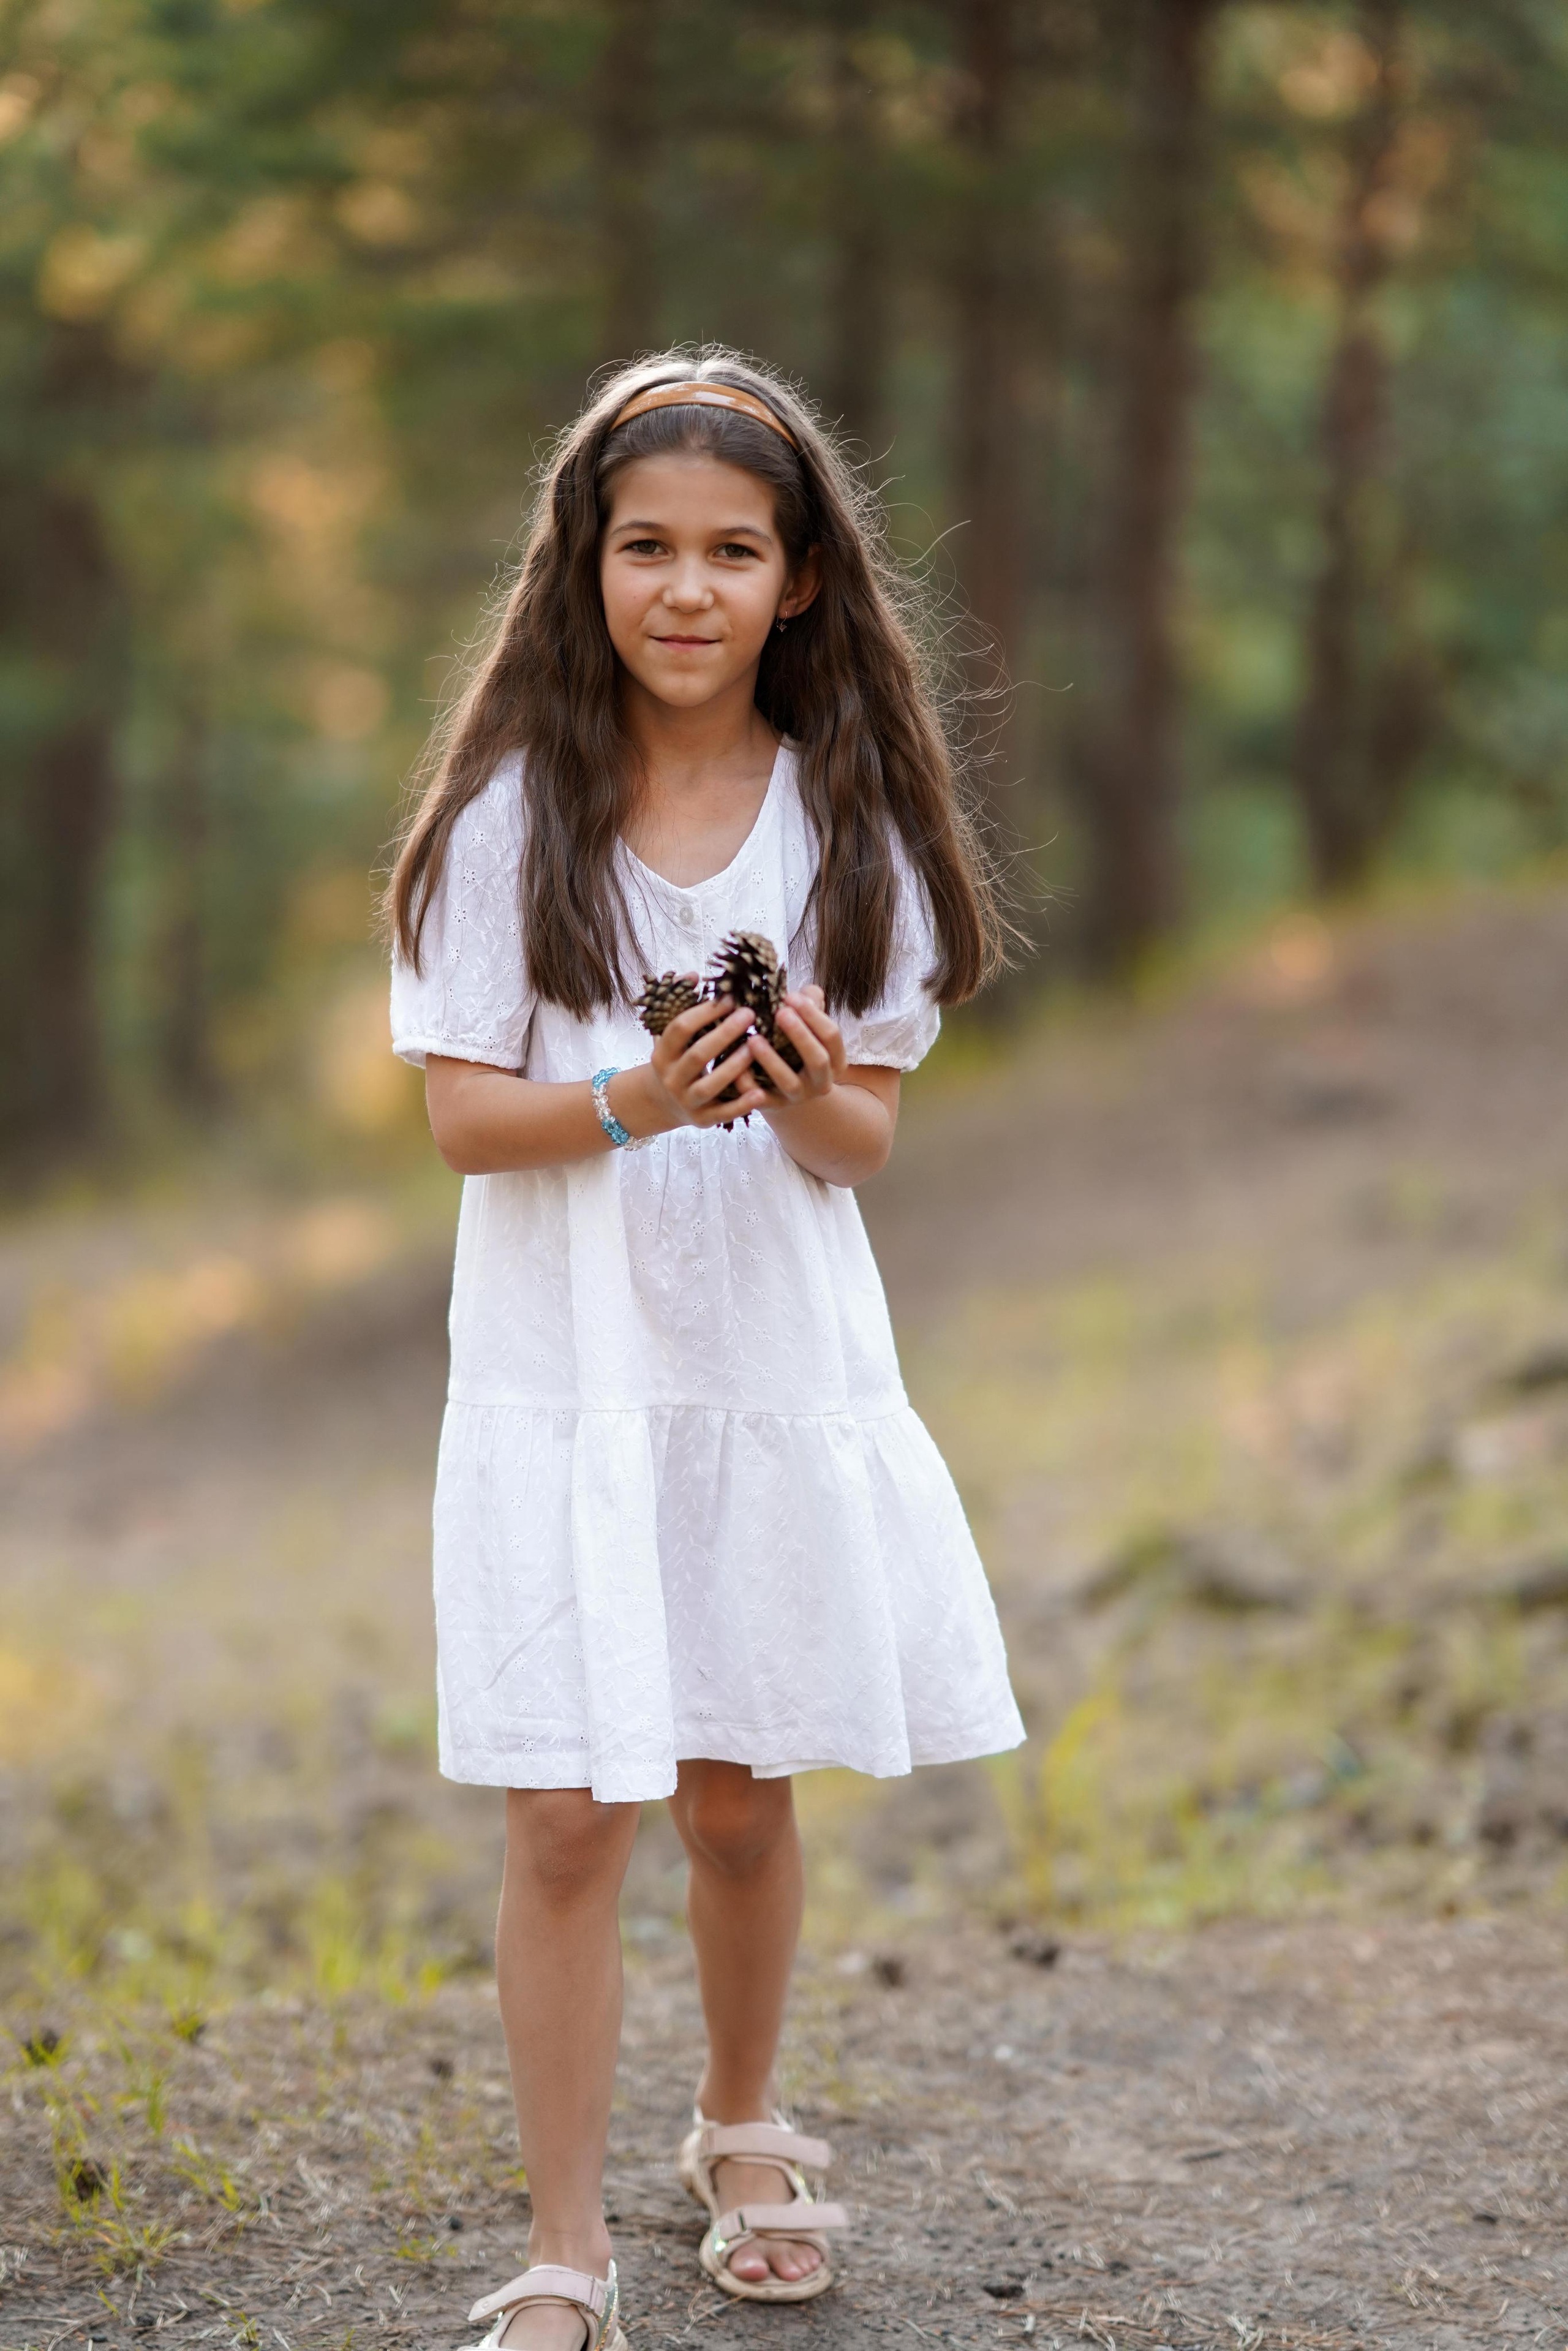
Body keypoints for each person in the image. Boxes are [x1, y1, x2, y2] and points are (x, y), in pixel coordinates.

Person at [383, 350, 1025, 2351]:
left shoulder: (851, 825)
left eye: (732, 551)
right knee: (570, 1810)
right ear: (583, 571)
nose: (686, 588)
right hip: (569, 1375)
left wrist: (807, 1081)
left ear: (804, 578)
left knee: (737, 1793)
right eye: (645, 547)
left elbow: (861, 1146)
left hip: (756, 1358)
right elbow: (463, 1117)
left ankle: (740, 2118)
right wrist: (633, 1109)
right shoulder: (509, 819)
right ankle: (563, 2244)